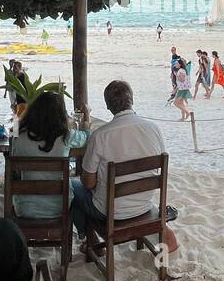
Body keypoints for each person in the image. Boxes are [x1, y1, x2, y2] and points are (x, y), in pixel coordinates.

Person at [70, 80, 177, 256]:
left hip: (111, 213)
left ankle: (91, 241)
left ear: (108, 106)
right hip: (145, 206)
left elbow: (88, 183)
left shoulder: (101, 135)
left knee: (73, 187)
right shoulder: (154, 128)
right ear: (132, 100)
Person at [10, 91, 88, 221]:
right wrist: (86, 120)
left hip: (24, 208)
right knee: (79, 185)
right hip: (59, 207)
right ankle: (82, 231)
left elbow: (15, 168)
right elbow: (88, 138)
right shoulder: (66, 136)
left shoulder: (19, 138)